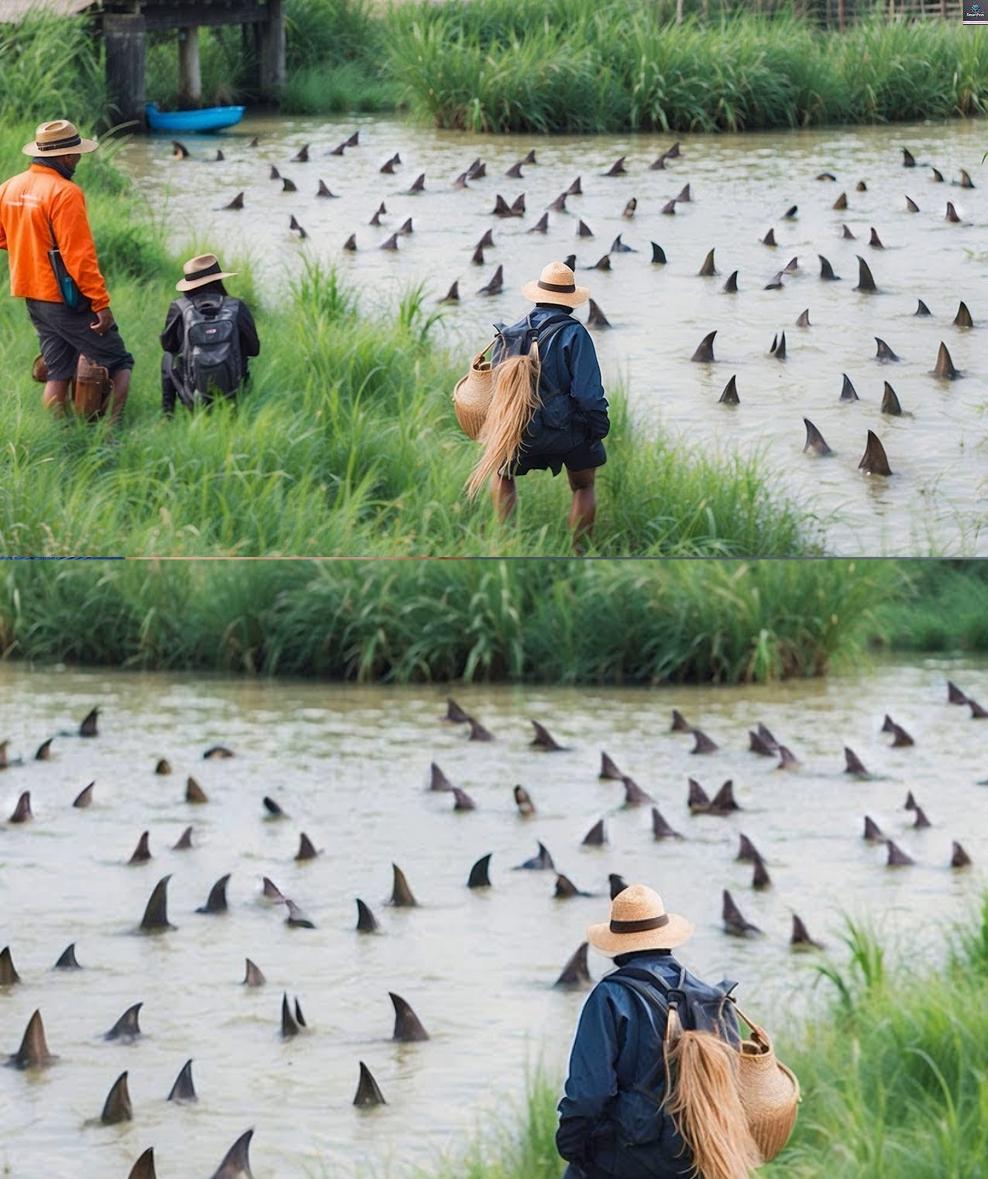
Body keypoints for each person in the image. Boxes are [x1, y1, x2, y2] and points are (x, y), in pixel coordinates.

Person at [557, 884, 745, 1179]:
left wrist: (570, 1146)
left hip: (631, 1159)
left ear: (616, 946)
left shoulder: (609, 997)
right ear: (667, 938)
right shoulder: (712, 997)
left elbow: (589, 1095)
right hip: (706, 1154)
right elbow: (737, 1084)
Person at [465, 260, 609, 545]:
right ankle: (579, 553)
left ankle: (506, 543)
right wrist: (598, 428)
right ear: (570, 302)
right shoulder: (575, 334)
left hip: (516, 429)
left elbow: (495, 391)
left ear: (539, 296)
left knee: (503, 473)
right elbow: (587, 395)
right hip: (567, 432)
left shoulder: (509, 333)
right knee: (583, 486)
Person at [0, 119, 133, 421]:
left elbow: (2, 235)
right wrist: (101, 305)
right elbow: (80, 258)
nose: (78, 159)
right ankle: (112, 436)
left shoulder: (9, 186)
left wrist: (29, 247)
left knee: (57, 371)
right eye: (76, 153)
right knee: (119, 362)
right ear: (66, 156)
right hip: (65, 298)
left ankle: (61, 437)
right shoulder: (65, 192)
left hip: (32, 296)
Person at [159, 253, 260, 415]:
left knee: (168, 357)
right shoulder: (236, 306)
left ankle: (167, 414)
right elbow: (254, 349)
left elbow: (168, 345)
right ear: (218, 280)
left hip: (193, 397)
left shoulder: (180, 307)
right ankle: (242, 407)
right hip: (233, 394)